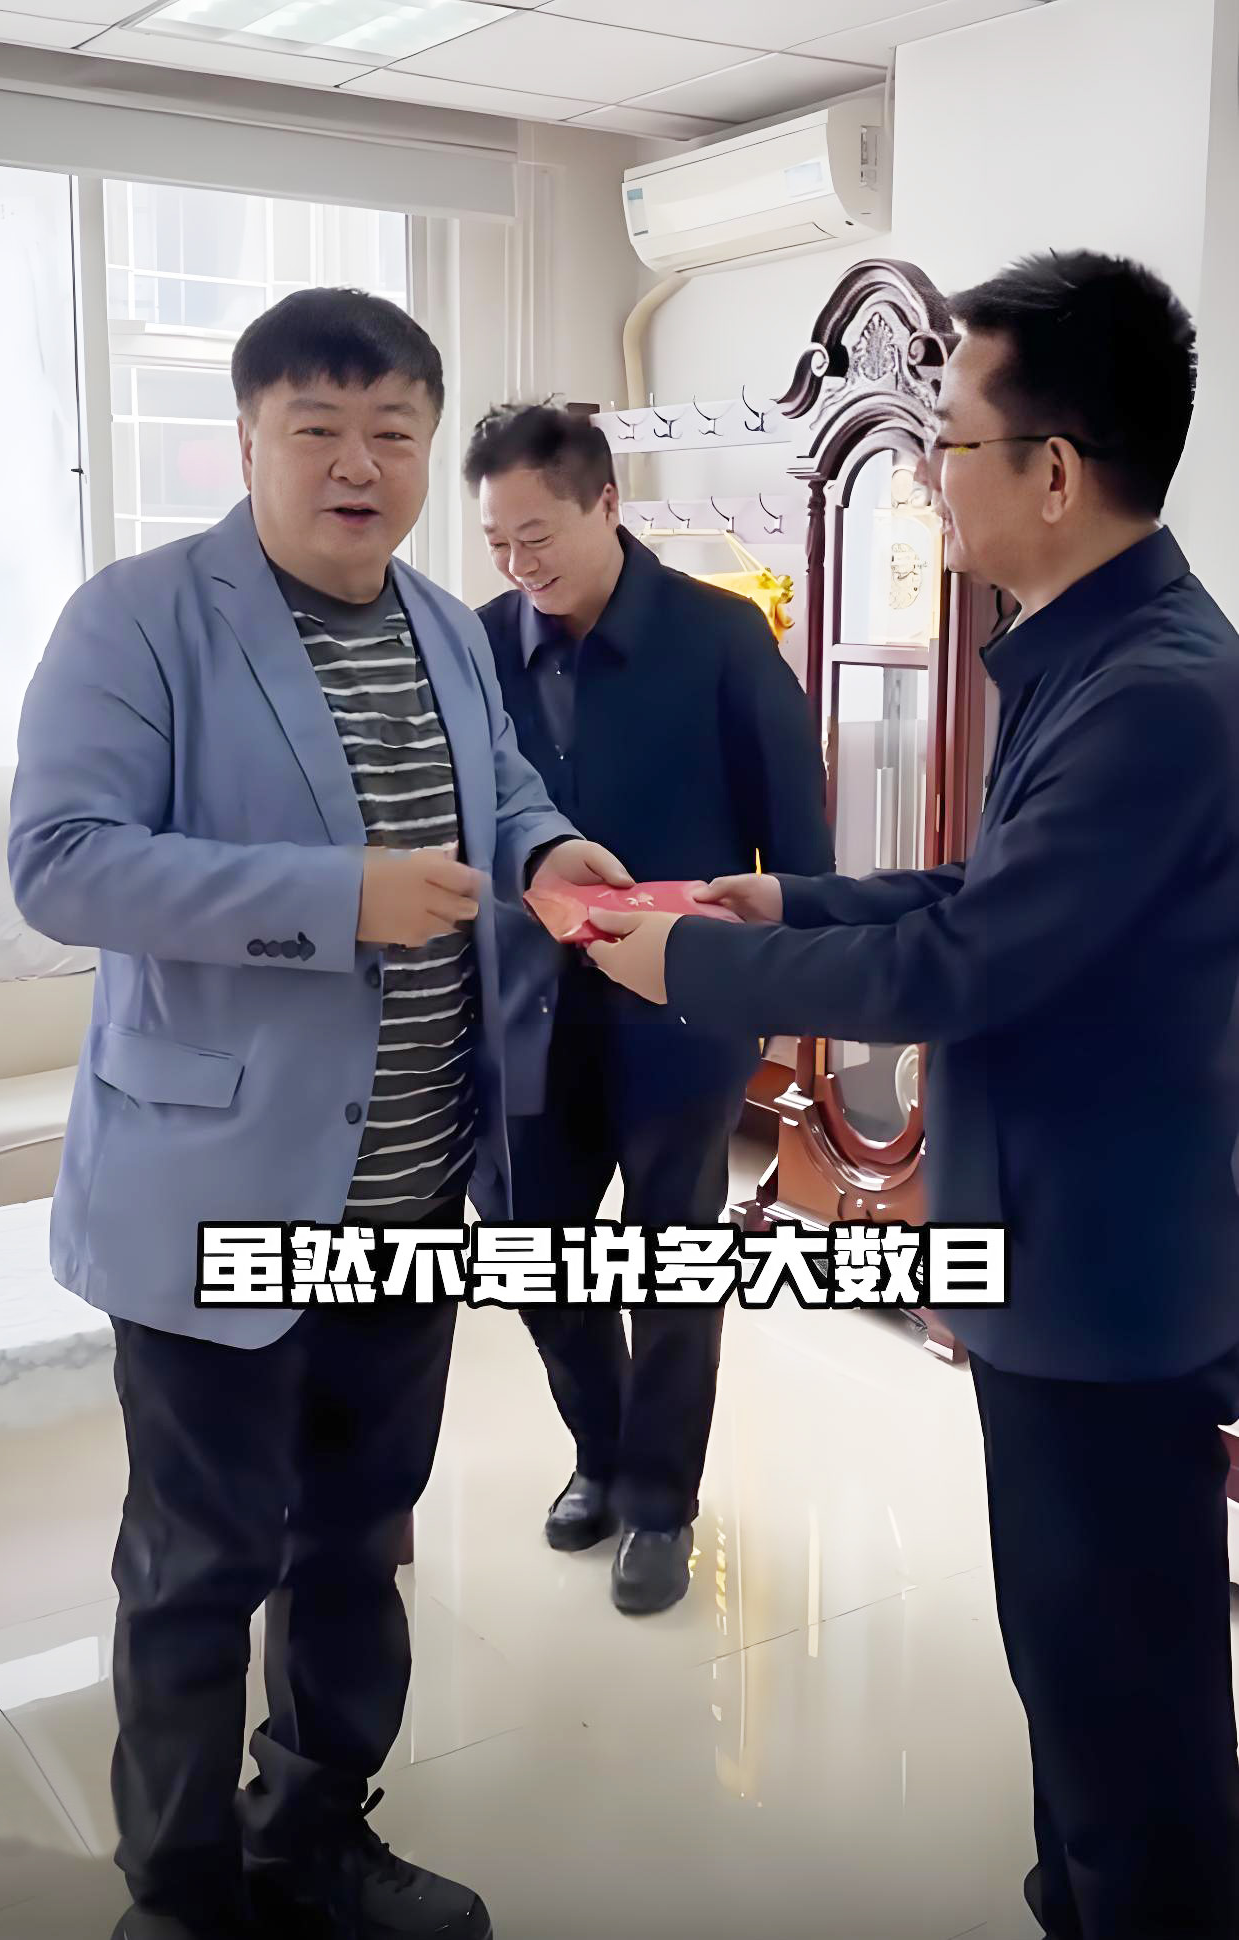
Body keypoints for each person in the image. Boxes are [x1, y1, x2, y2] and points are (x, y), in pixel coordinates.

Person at [586, 249, 1239, 1936]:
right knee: (1077, 1672)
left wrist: (687, 967)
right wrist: (784, 902)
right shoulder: (1086, 653)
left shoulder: (1156, 694)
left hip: (1102, 1284)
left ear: (1052, 471)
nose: (933, 471)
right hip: (1052, 1255)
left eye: (948, 439)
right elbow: (981, 893)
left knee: (1123, 1699)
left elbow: (962, 967)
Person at [7, 289, 629, 1940]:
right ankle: (182, 1892)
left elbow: (497, 789)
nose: (360, 466)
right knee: (200, 1561)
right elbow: (60, 865)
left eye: (393, 433)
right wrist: (332, 897)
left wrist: (547, 850)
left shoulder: (443, 621)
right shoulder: (138, 619)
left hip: (411, 1190)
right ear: (247, 441)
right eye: (320, 431)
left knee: (358, 1539)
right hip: (218, 1191)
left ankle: (315, 1831)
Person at [463, 404, 833, 1615]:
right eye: (497, 542)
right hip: (524, 1009)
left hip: (682, 1010)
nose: (519, 564)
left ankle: (661, 1501)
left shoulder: (721, 635)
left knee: (673, 1261)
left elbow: (798, 834)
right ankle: (603, 1450)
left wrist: (781, 989)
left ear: (606, 504)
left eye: (537, 535)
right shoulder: (476, 648)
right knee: (532, 1251)